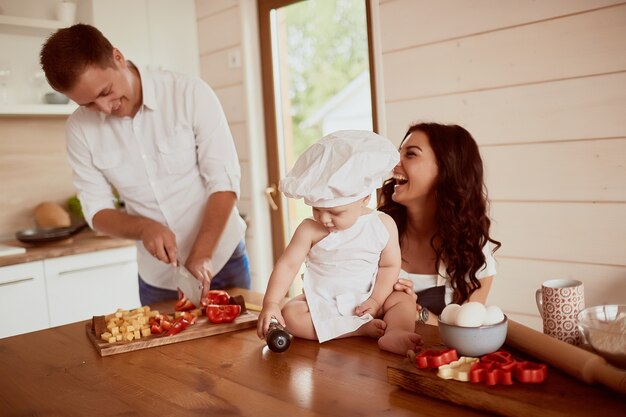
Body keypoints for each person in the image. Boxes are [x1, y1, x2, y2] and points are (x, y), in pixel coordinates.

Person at [39, 24, 251, 305]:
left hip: (223, 260)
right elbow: (98, 211)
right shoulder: (79, 129)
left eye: (105, 92)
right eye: (87, 104)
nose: (103, 109)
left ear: (117, 57)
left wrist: (202, 253)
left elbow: (223, 182)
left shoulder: (189, 93)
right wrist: (144, 228)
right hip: (158, 280)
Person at [257, 130, 421, 355]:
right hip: (324, 304)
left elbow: (389, 266)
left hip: (370, 301)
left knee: (403, 300)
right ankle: (354, 330)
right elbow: (287, 265)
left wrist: (376, 299)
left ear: (364, 198)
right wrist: (271, 303)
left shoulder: (382, 225)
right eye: (316, 209)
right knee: (291, 314)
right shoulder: (309, 230)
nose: (323, 219)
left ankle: (396, 333)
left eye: (335, 212)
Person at [378, 122, 501, 325]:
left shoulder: (472, 249)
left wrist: (417, 312)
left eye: (410, 154)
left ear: (446, 169)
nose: (394, 162)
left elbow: (467, 330)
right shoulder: (375, 231)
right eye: (398, 153)